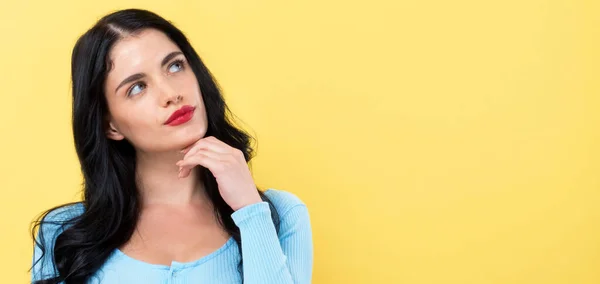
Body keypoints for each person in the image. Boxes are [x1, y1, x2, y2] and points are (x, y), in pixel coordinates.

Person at [30, 8, 313, 284]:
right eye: (137, 87)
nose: (171, 94)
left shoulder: (281, 214)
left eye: (175, 66)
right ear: (110, 125)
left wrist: (250, 209)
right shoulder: (64, 234)